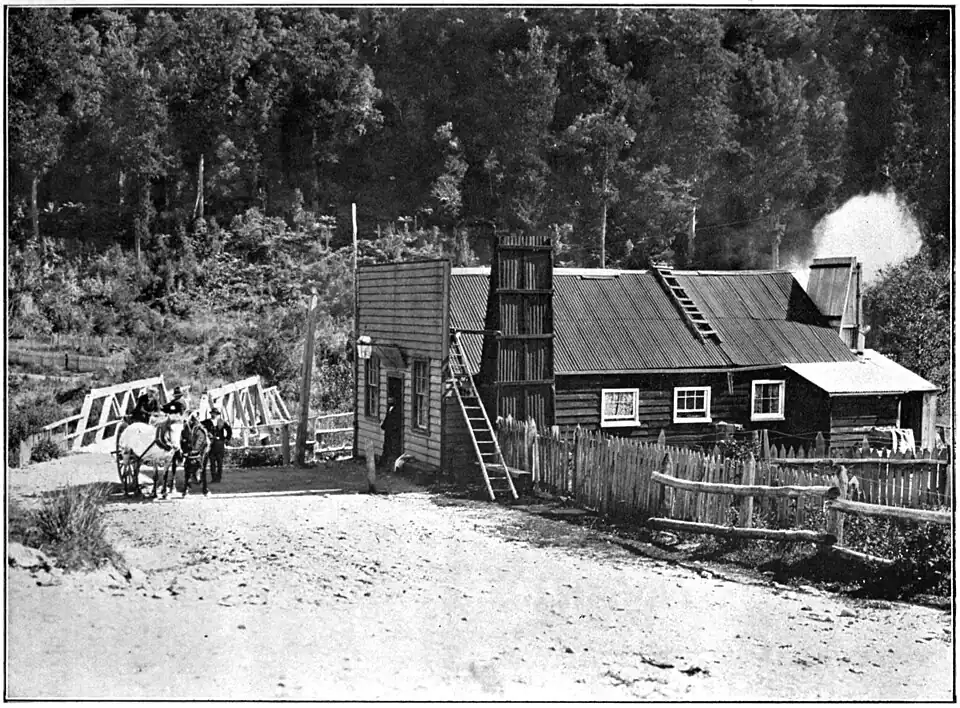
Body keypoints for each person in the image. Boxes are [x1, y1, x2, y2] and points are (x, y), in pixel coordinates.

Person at [202, 407, 232, 483]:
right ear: (211, 413)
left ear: (217, 414)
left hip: (220, 444)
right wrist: (207, 434)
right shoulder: (206, 422)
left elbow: (229, 430)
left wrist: (227, 439)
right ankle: (213, 478)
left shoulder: (221, 422)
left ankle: (218, 478)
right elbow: (200, 426)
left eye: (215, 413)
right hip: (211, 444)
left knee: (220, 462)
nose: (214, 415)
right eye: (213, 413)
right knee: (212, 462)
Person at [380, 395, 402, 473]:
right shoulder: (389, 408)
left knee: (393, 448)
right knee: (386, 446)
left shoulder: (397, 410)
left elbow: (396, 421)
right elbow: (387, 418)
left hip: (393, 432)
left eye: (391, 400)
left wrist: (394, 429)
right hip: (388, 431)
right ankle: (384, 464)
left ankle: (392, 466)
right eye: (389, 400)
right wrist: (383, 425)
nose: (389, 401)